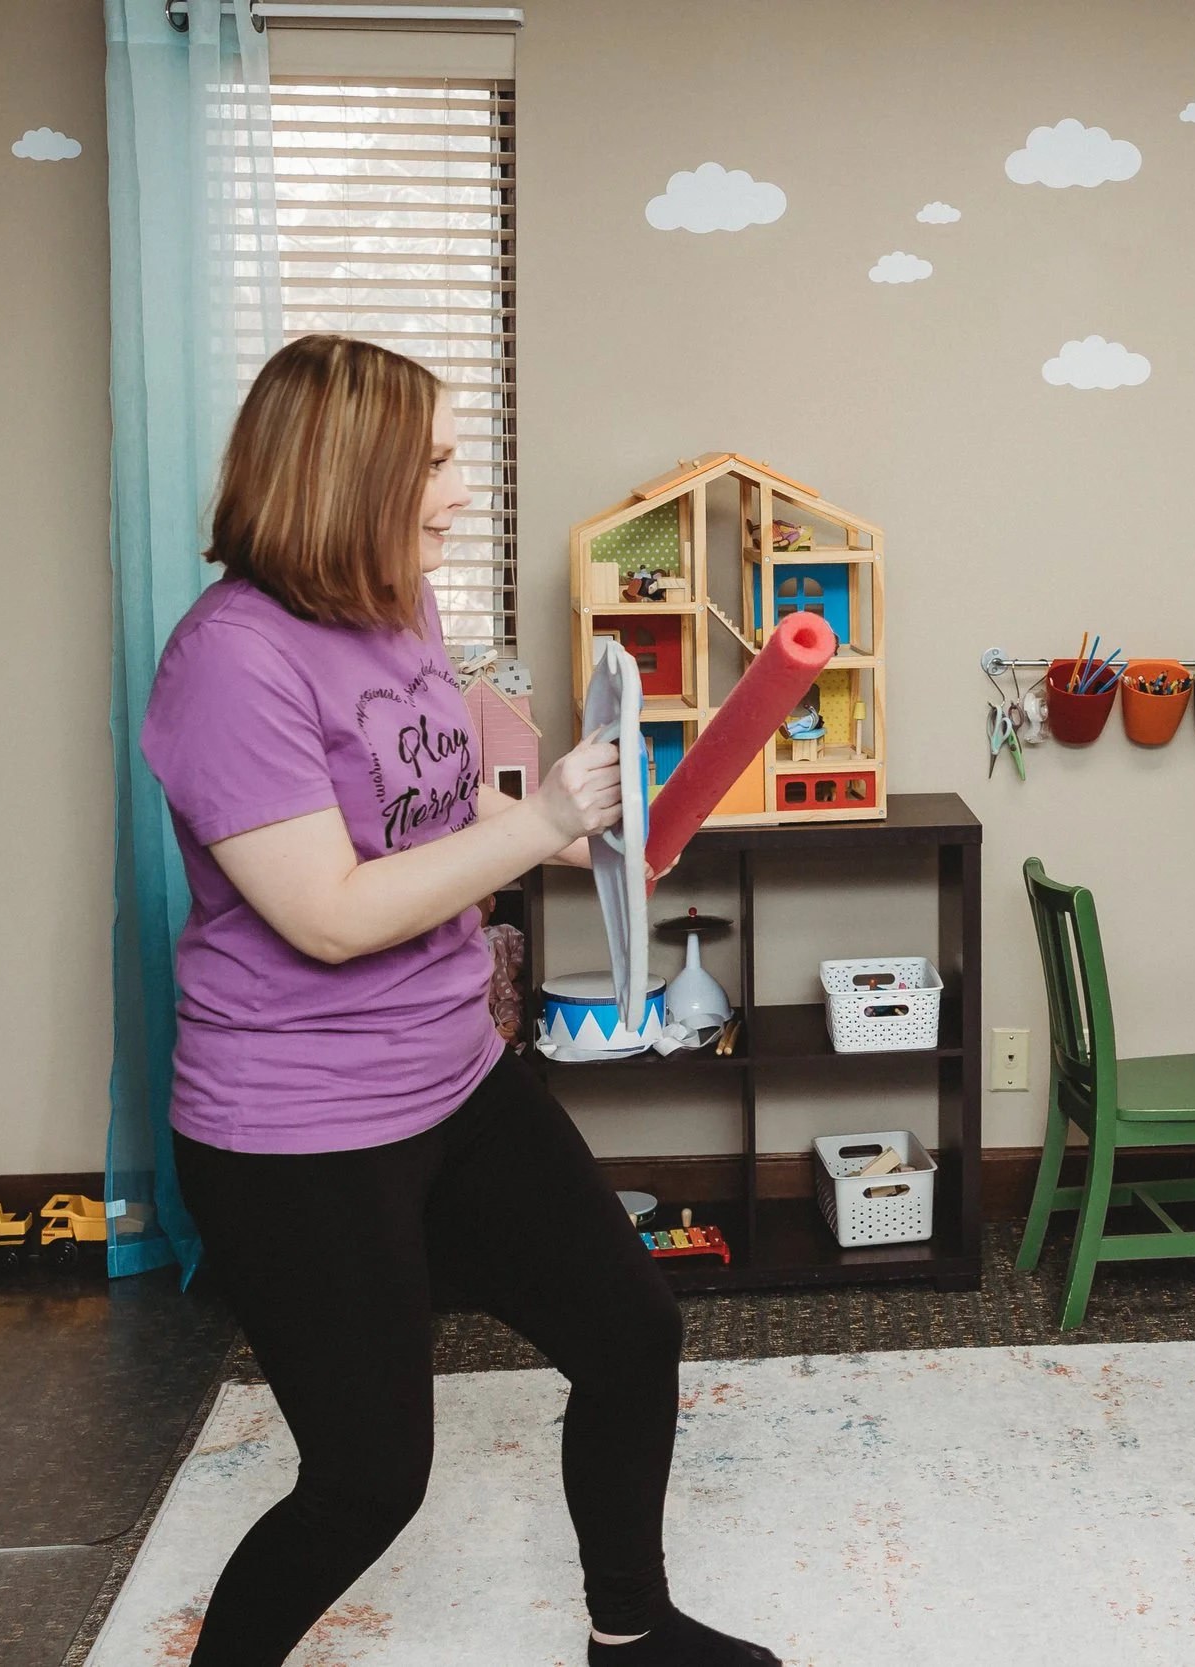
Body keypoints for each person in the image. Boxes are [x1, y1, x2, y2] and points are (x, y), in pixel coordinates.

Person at [141, 334, 775, 1667]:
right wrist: (540, 819)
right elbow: (326, 911)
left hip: (455, 1070)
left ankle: (632, 1632)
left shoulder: (401, 606)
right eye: (433, 461)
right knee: (368, 1479)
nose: (460, 487)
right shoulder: (229, 662)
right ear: (348, 473)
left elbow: (437, 808)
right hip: (297, 1127)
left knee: (631, 1333)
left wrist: (576, 838)